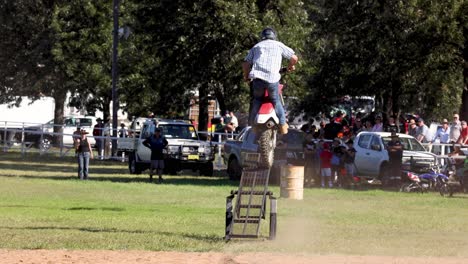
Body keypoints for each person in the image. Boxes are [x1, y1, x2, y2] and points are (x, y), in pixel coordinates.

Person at [242, 27, 298, 135]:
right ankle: (283, 125)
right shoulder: (279, 45)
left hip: (257, 79)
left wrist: (246, 76)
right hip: (272, 80)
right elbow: (294, 58)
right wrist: (290, 66)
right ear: (274, 36)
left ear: (262, 36)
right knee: (275, 100)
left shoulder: (256, 46)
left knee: (257, 100)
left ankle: (252, 126)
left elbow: (245, 64)